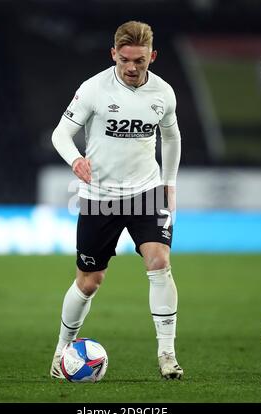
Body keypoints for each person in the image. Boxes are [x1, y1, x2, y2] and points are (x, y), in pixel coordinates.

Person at [50, 21, 183, 379]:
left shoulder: (163, 94)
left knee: (159, 262)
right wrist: (75, 159)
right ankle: (62, 351)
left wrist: (168, 183)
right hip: (100, 198)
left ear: (151, 56)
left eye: (139, 60)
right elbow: (61, 133)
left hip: (146, 192)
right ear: (114, 54)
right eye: (124, 59)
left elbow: (171, 136)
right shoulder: (93, 89)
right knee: (89, 281)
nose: (131, 67)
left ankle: (167, 355)